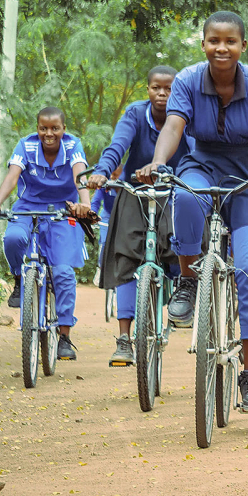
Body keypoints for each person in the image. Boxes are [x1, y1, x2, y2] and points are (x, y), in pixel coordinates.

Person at [136, 11, 248, 413]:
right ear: (204, 43)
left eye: (230, 41)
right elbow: (174, 127)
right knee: (187, 196)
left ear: (243, 46)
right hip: (203, 163)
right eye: (214, 40)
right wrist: (159, 163)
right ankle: (190, 280)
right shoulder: (189, 80)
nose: (221, 48)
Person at [87, 66, 189, 366]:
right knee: (127, 257)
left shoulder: (187, 114)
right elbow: (117, 145)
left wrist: (171, 174)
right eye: (156, 87)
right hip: (134, 192)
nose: (162, 94)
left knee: (182, 246)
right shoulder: (134, 113)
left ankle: (182, 295)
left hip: (175, 190)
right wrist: (103, 171)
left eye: (169, 89)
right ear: (148, 90)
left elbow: (195, 153)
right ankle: (123, 338)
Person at [0, 107, 93, 361]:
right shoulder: (26, 145)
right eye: (43, 128)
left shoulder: (73, 145)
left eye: (55, 128)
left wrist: (84, 204)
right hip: (27, 208)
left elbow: (80, 177)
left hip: (63, 213)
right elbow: (12, 177)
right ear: (37, 128)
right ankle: (20, 280)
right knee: (12, 238)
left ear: (64, 129)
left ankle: (64, 336)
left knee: (63, 272)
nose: (49, 133)